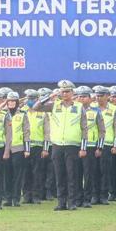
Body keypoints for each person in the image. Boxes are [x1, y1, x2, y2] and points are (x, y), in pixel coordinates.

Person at [32, 80, 89, 212]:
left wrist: (83, 147)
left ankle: (72, 202)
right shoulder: (54, 105)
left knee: (72, 175)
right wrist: (49, 97)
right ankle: (61, 202)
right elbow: (36, 107)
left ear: (72, 92)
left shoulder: (79, 107)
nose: (65, 94)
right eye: (62, 91)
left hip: (72, 145)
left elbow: (84, 128)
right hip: (57, 145)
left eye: (67, 91)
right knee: (59, 175)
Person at [75, 86, 103, 208]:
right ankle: (77, 199)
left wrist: (99, 147)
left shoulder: (96, 111)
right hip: (75, 146)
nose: (81, 99)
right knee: (76, 174)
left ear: (90, 98)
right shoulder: (73, 110)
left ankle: (87, 199)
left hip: (91, 146)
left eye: (84, 96)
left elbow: (101, 130)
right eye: (80, 96)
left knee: (88, 174)